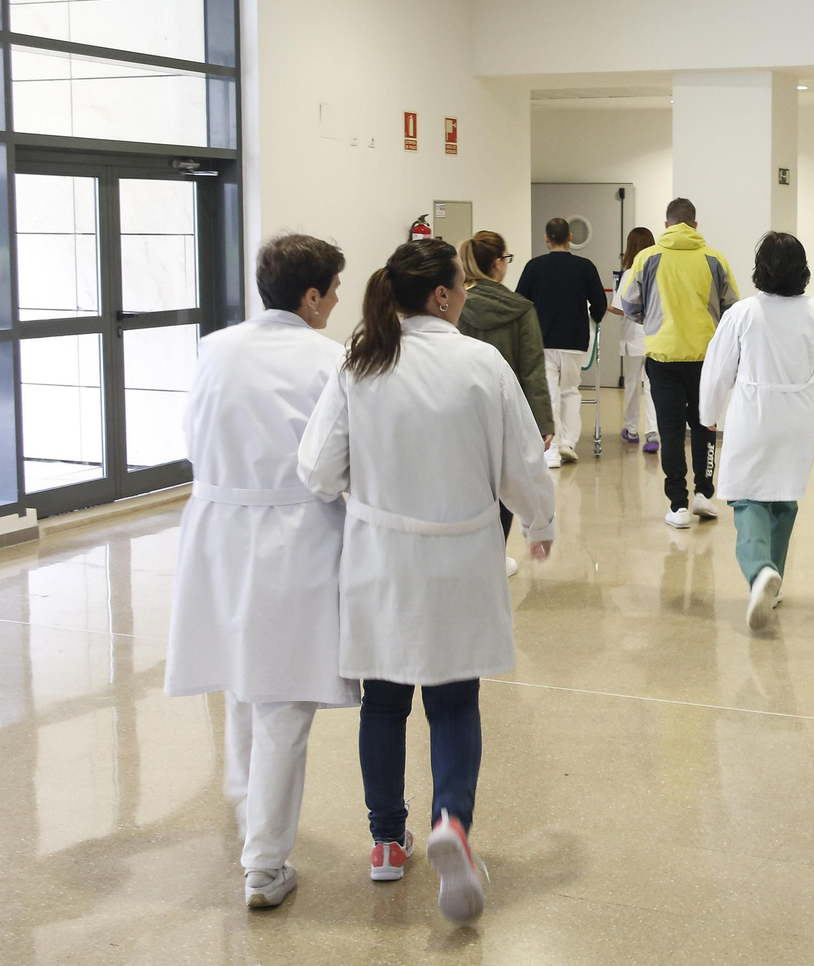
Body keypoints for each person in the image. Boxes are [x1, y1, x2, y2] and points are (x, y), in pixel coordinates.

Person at [297, 238, 556, 924]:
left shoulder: (361, 362)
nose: (467, 295)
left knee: (383, 705)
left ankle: (386, 842)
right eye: (463, 287)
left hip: (381, 558)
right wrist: (539, 522)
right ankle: (453, 826)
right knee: (452, 701)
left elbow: (319, 469)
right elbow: (521, 461)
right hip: (459, 561)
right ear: (442, 296)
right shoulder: (480, 364)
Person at [165, 233, 358, 910]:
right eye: (334, 290)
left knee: (243, 684)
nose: (337, 301)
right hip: (293, 532)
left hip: (217, 527)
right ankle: (265, 862)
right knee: (283, 701)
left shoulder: (215, 347)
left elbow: (191, 434)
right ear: (310, 296)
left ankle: (249, 811)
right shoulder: (330, 358)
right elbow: (338, 458)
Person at [701, 232, 814, 630]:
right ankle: (773, 584)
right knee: (783, 499)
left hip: (754, 414)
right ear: (802, 269)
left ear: (761, 268)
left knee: (748, 499)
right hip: (797, 415)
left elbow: (717, 369)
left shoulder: (742, 313)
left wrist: (708, 413)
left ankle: (760, 571)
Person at [620, 198, 741, 529]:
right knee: (705, 425)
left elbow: (629, 305)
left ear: (667, 225)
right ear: (695, 225)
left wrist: (654, 321)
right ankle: (704, 494)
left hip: (663, 357)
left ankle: (678, 506)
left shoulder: (647, 258)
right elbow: (733, 307)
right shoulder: (715, 258)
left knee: (671, 431)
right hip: (706, 357)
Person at [458, 229, 556, 577]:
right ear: (498, 264)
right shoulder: (520, 308)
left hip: (458, 413)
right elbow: (531, 369)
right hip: (504, 414)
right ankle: (496, 556)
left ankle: (468, 555)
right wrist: (543, 422)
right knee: (505, 482)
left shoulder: (453, 304)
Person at [515, 218, 608, 468]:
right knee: (571, 391)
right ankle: (568, 442)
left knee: (549, 394)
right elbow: (599, 303)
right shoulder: (585, 266)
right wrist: (592, 320)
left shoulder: (534, 267)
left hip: (542, 341)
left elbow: (519, 303)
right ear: (569, 237)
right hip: (575, 340)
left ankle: (551, 451)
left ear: (546, 239)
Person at [609, 226, 660, 453]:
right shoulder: (658, 271)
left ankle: (631, 429)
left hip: (633, 337)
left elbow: (623, 309)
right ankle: (652, 432)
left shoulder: (630, 272)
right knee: (652, 386)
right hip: (655, 336)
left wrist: (603, 305)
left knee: (632, 384)